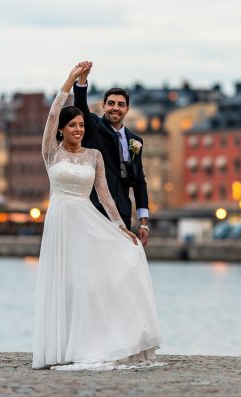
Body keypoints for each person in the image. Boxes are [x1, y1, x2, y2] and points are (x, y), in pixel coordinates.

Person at [32, 65, 162, 370]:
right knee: (70, 284)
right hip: (62, 221)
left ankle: (112, 338)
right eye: (73, 125)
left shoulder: (95, 155)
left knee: (117, 265)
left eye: (81, 125)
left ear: (128, 109)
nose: (79, 129)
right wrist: (74, 80)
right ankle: (63, 346)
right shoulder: (51, 152)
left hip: (91, 219)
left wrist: (125, 228)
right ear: (63, 129)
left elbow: (105, 194)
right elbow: (55, 113)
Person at [72, 61, 151, 246]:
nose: (115, 107)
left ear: (127, 109)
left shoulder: (135, 141)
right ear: (103, 106)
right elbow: (81, 106)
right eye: (111, 103)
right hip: (94, 210)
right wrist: (82, 80)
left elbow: (139, 182)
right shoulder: (93, 126)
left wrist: (144, 222)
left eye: (121, 104)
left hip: (122, 214)